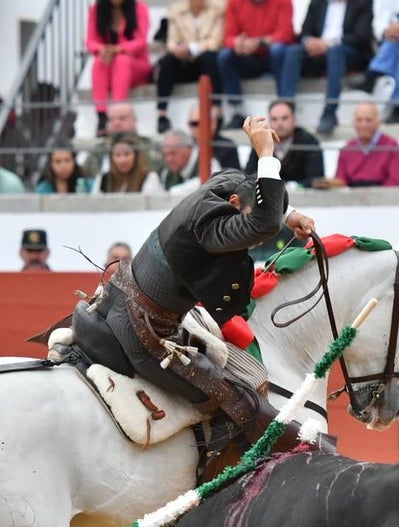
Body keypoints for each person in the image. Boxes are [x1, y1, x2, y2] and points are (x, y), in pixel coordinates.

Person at [72, 115, 335, 475]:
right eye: (250, 223)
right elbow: (259, 221)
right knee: (234, 399)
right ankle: (208, 477)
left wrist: (286, 214)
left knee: (245, 376)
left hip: (132, 303)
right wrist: (266, 153)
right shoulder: (211, 228)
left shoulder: (226, 184)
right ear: (233, 203)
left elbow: (255, 196)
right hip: (144, 333)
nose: (255, 238)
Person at [275, 0, 374, 135]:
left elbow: (361, 36)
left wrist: (328, 43)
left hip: (349, 53)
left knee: (336, 52)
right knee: (293, 52)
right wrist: (309, 42)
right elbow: (305, 32)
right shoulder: (317, 3)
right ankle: (285, 109)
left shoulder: (362, 3)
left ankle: (329, 112)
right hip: (318, 53)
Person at [217, 0, 296, 129]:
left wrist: (260, 42)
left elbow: (286, 34)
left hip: (272, 56)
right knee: (225, 56)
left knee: (279, 50)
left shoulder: (284, 2)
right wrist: (238, 43)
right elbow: (228, 37)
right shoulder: (234, 3)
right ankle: (237, 111)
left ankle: (285, 107)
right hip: (248, 57)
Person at [155, 0, 225, 134]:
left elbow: (216, 41)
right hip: (185, 60)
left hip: (206, 58)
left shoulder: (218, 8)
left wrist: (192, 48)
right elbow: (171, 42)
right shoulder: (176, 10)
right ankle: (162, 114)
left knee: (211, 59)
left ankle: (217, 111)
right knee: (166, 62)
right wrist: (177, 49)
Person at [86, 0, 152, 137]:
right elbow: (90, 41)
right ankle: (102, 116)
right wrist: (102, 49)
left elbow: (141, 41)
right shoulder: (96, 10)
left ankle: (118, 113)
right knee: (99, 62)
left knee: (121, 61)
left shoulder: (140, 8)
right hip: (110, 64)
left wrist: (119, 49)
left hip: (136, 65)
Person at [315, 102, 399, 188]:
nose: (363, 124)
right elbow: (341, 180)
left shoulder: (391, 146)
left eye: (368, 120)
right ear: (354, 123)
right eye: (359, 120)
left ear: (378, 122)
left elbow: (395, 181)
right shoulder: (346, 149)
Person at [242, 99, 324, 188]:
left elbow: (317, 180)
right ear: (269, 122)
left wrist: (293, 186)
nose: (279, 123)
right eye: (274, 119)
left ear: (294, 120)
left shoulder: (309, 142)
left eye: (284, 118)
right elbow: (249, 177)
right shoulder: (261, 141)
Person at [82, 102, 160, 178]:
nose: (116, 123)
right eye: (111, 119)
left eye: (122, 118)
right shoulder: (98, 150)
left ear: (134, 120)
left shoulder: (149, 146)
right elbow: (87, 175)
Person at [91, 133, 163, 194]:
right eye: (118, 155)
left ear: (135, 156)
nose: (122, 160)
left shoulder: (149, 177)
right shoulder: (102, 179)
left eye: (127, 154)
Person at [159, 129, 222, 194]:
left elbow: (213, 183)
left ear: (187, 149)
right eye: (165, 155)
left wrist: (175, 192)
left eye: (173, 153)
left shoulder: (208, 164)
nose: (169, 159)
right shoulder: (166, 172)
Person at [188, 102, 241, 170]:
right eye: (194, 124)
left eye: (203, 123)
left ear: (214, 123)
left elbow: (234, 177)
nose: (198, 128)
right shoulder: (185, 146)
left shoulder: (226, 147)